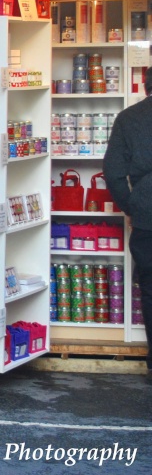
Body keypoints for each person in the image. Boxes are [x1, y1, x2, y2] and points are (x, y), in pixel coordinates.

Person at [104, 68, 152, 382]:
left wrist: (131, 206)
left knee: (150, 290)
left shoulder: (129, 118)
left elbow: (113, 171)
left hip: (148, 215)